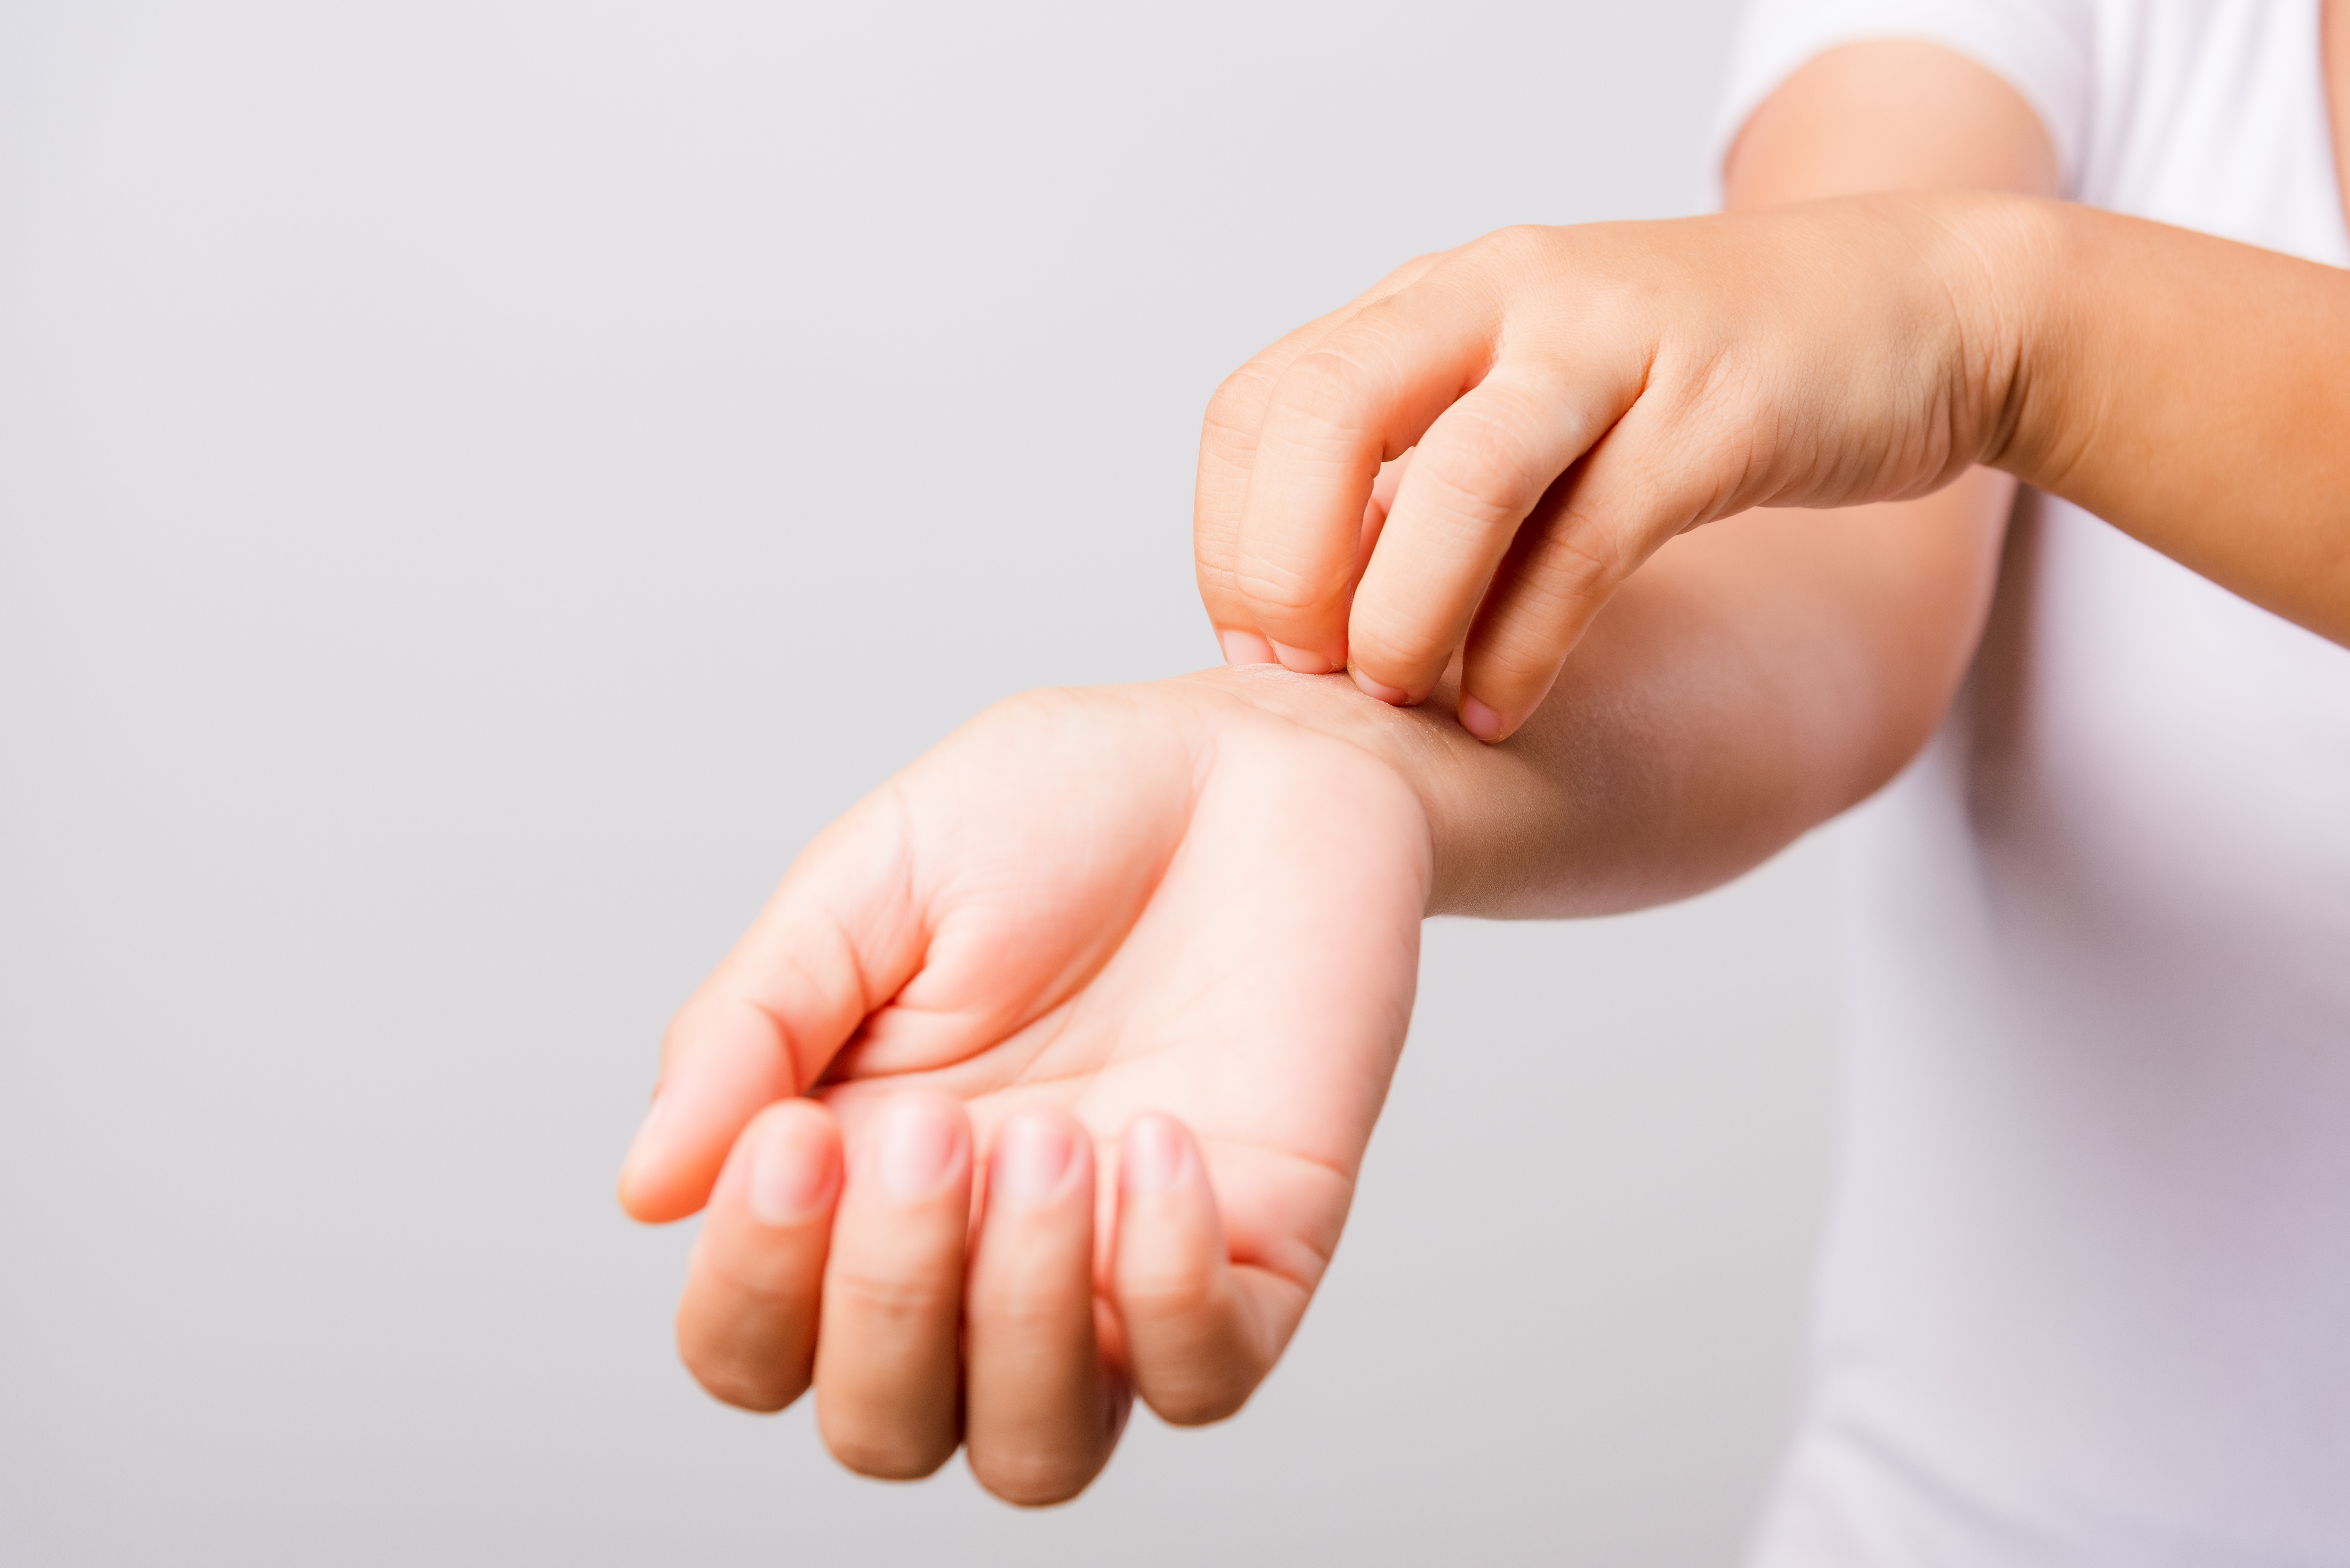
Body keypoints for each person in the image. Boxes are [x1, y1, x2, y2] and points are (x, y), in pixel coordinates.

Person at [618, 0, 2350, 1556]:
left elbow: (1935, 334)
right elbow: (1821, 583)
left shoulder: (2002, 303)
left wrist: (2003, 319)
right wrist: (1323, 767)